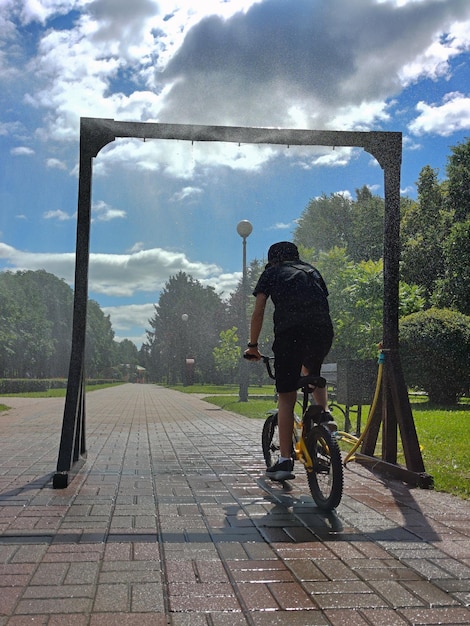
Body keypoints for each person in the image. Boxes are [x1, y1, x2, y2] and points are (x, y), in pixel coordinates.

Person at [244, 241, 334, 481]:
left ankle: (284, 461)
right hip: (323, 332)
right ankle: (325, 415)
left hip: (291, 334)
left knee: (286, 396)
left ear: (273, 259)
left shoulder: (271, 273)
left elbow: (259, 309)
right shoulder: (312, 271)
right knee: (311, 369)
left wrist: (253, 346)